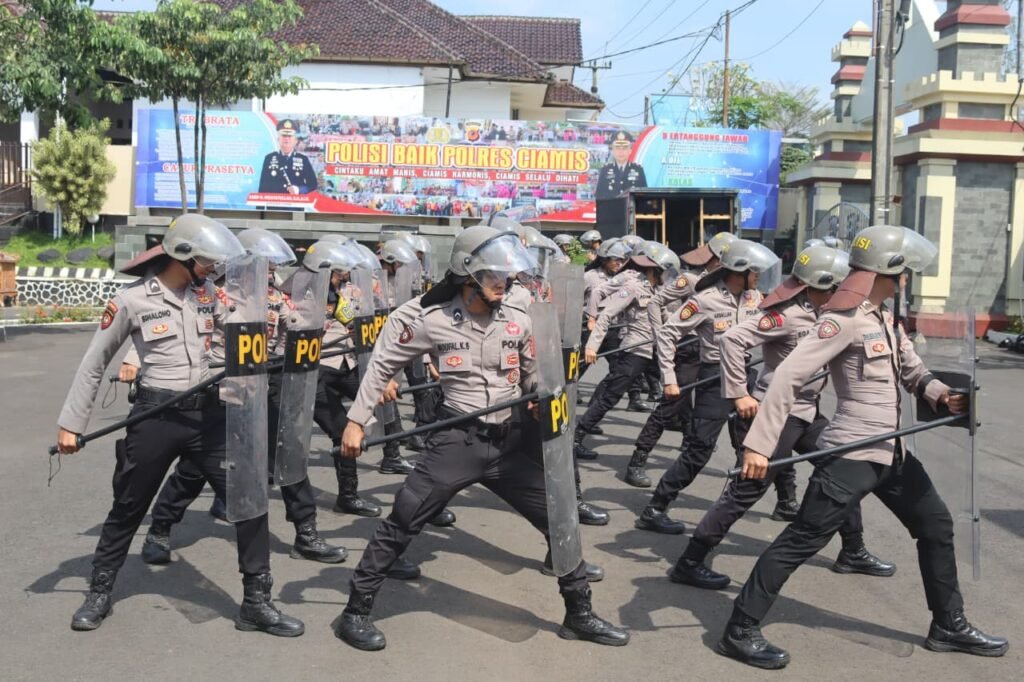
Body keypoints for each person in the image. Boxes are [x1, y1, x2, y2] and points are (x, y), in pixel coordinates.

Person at [718, 225, 1009, 669]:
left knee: (936, 527)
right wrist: (758, 446)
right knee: (802, 539)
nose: (907, 279)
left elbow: (913, 373)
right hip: (852, 454)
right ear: (888, 271)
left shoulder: (884, 319)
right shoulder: (843, 320)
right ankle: (739, 628)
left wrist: (942, 395)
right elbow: (788, 376)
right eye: (904, 271)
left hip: (891, 452)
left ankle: (948, 624)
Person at [333, 225, 629, 652]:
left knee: (560, 516)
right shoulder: (427, 319)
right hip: (458, 439)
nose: (504, 283)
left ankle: (579, 613)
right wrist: (357, 421)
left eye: (507, 276)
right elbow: (381, 366)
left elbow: (532, 372)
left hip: (508, 443)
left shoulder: (517, 317)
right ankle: (355, 612)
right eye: (495, 276)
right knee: (404, 518)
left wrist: (540, 393)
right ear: (467, 274)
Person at [56, 214, 303, 636]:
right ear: (182, 256)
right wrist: (71, 423)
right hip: (157, 415)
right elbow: (95, 362)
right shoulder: (132, 300)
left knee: (250, 503)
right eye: (207, 262)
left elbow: (249, 327)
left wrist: (293, 322)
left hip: (211, 416)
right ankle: (99, 590)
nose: (212, 270)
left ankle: (257, 602)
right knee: (128, 507)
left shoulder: (210, 294)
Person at [670, 245, 894, 591]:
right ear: (822, 285)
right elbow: (732, 339)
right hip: (777, 415)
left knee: (841, 467)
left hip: (806, 411)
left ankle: (853, 549)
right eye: (839, 286)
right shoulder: (788, 315)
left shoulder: (835, 314)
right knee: (747, 490)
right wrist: (739, 393)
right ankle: (690, 560)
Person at [138, 228, 347, 566]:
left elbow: (296, 323)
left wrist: (315, 321)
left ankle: (306, 533)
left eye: (271, 268)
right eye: (264, 266)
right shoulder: (211, 293)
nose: (270, 273)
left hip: (262, 387)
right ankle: (160, 530)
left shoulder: (274, 297)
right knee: (193, 469)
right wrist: (136, 363)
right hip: (219, 392)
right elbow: (174, 332)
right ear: (242, 263)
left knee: (288, 457)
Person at [635, 240, 779, 534]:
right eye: (754, 272)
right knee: (699, 450)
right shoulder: (705, 299)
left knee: (754, 446)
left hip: (747, 376)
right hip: (716, 378)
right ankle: (655, 508)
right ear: (740, 271)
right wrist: (670, 379)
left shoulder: (754, 298)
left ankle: (745, 505)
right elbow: (667, 334)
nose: (758, 277)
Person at [625, 233, 736, 487]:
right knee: (671, 404)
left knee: (735, 413)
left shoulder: (735, 288)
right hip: (688, 349)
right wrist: (661, 334)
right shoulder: (691, 279)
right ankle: (638, 460)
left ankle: (699, 448)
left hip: (716, 356)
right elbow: (655, 302)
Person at [573, 247, 673, 463]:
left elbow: (666, 319)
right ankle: (577, 436)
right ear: (656, 270)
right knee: (611, 394)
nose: (667, 276)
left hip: (653, 350)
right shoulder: (634, 287)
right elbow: (607, 314)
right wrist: (592, 346)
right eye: (665, 271)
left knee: (676, 389)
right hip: (635, 349)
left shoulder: (656, 291)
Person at [258, 119, 318, 195]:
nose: (286, 138)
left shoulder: (303, 160)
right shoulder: (269, 158)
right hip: (274, 205)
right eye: (284, 135)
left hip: (295, 205)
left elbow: (313, 185)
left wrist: (299, 190)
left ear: (296, 141)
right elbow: (262, 188)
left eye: (290, 136)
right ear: (278, 139)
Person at [595, 130, 647, 201]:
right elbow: (599, 196)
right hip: (610, 210)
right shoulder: (605, 170)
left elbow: (644, 195)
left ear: (630, 150)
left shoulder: (638, 169)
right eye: (617, 148)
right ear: (612, 150)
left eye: (624, 148)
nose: (621, 151)